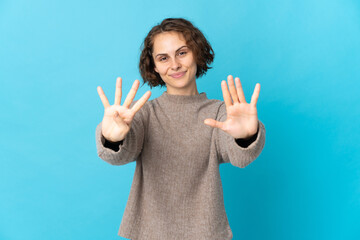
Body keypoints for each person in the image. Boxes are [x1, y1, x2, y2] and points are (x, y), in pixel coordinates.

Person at [95, 18, 266, 240]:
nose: (174, 64)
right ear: (154, 66)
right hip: (149, 233)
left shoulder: (220, 113)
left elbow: (239, 157)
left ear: (197, 53)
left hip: (205, 233)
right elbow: (120, 155)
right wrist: (112, 138)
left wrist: (246, 137)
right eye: (163, 58)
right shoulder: (144, 114)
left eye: (182, 52)